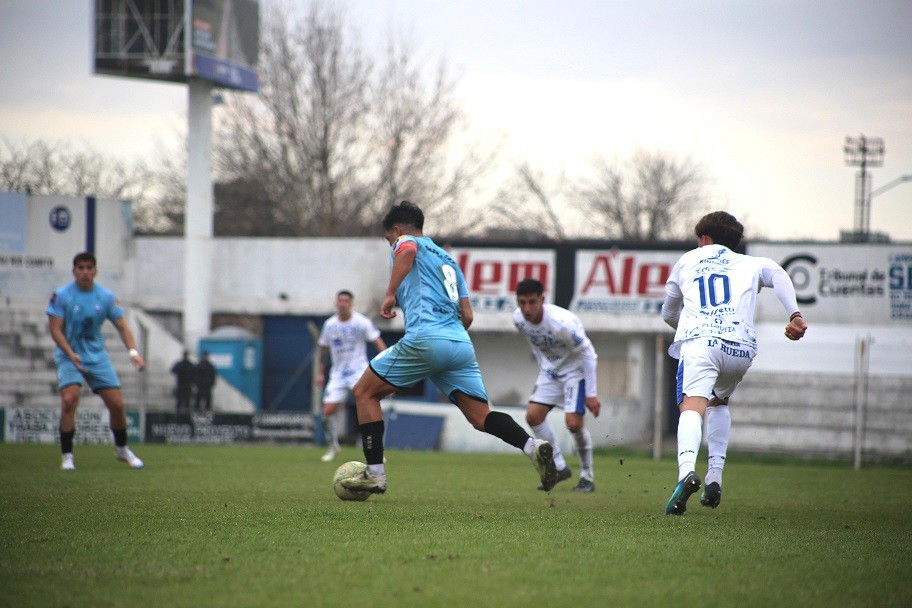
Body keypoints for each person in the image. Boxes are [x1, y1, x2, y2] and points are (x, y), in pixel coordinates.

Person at [342, 200, 558, 495]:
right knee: (481, 416)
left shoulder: (405, 241)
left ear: (396, 229)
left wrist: (390, 294)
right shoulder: (448, 259)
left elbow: (406, 251)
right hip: (459, 344)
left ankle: (375, 474)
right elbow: (468, 315)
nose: (391, 244)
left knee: (363, 392)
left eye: (388, 239)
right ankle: (532, 446)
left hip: (426, 339)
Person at [661, 211, 807, 515]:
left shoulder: (688, 260)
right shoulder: (751, 263)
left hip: (701, 342)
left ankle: (686, 471)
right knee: (719, 403)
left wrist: (687, 326)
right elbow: (779, 274)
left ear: (703, 239)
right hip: (741, 347)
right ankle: (715, 475)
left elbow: (668, 313)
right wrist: (794, 314)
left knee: (692, 406)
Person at [47, 251, 145, 471]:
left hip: (96, 357)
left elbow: (122, 326)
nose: (85, 272)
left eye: (89, 268)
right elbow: (55, 330)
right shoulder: (61, 295)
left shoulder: (106, 297)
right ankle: (67, 456)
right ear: (74, 271)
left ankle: (122, 450)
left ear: (95, 271)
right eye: (80, 268)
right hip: (68, 354)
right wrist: (70, 353)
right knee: (70, 400)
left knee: (117, 404)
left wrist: (133, 352)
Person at [513, 278, 602, 492]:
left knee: (573, 423)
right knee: (533, 417)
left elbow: (588, 354)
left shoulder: (563, 324)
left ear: (542, 300)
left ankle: (587, 476)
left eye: (532, 302)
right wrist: (545, 366)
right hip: (551, 372)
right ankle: (560, 467)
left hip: (575, 372)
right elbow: (536, 344)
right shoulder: (518, 320)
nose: (527, 308)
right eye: (522, 302)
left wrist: (591, 393)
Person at [315, 290, 387, 462]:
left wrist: (386, 365)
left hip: (359, 372)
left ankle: (377, 449)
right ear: (336, 303)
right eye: (340, 301)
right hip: (338, 374)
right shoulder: (330, 325)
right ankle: (334, 446)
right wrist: (320, 372)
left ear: (351, 303)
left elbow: (378, 342)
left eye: (346, 301)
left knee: (370, 408)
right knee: (327, 412)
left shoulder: (361, 322)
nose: (343, 304)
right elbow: (323, 349)